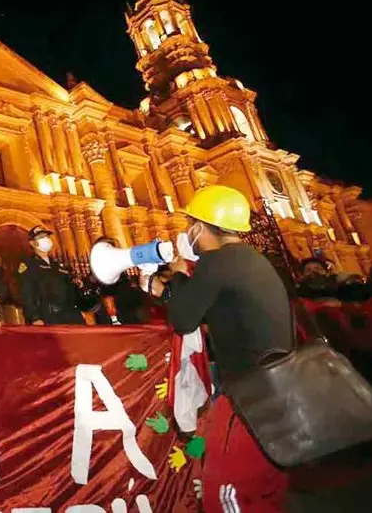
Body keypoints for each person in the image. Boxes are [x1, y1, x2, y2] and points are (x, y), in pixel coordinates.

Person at [147, 185, 291, 513]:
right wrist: (170, 291)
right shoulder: (251, 260)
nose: (187, 232)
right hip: (279, 391)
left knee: (225, 490)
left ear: (200, 227)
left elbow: (183, 320)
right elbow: (208, 308)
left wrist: (179, 274)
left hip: (247, 396)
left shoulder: (216, 262)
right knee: (264, 489)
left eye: (189, 225)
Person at [17, 225, 90, 325]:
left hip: (70, 314)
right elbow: (27, 293)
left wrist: (79, 309)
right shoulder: (28, 264)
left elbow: (69, 289)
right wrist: (34, 318)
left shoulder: (58, 265)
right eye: (41, 237)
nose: (46, 239)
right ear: (32, 243)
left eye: (47, 236)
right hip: (47, 316)